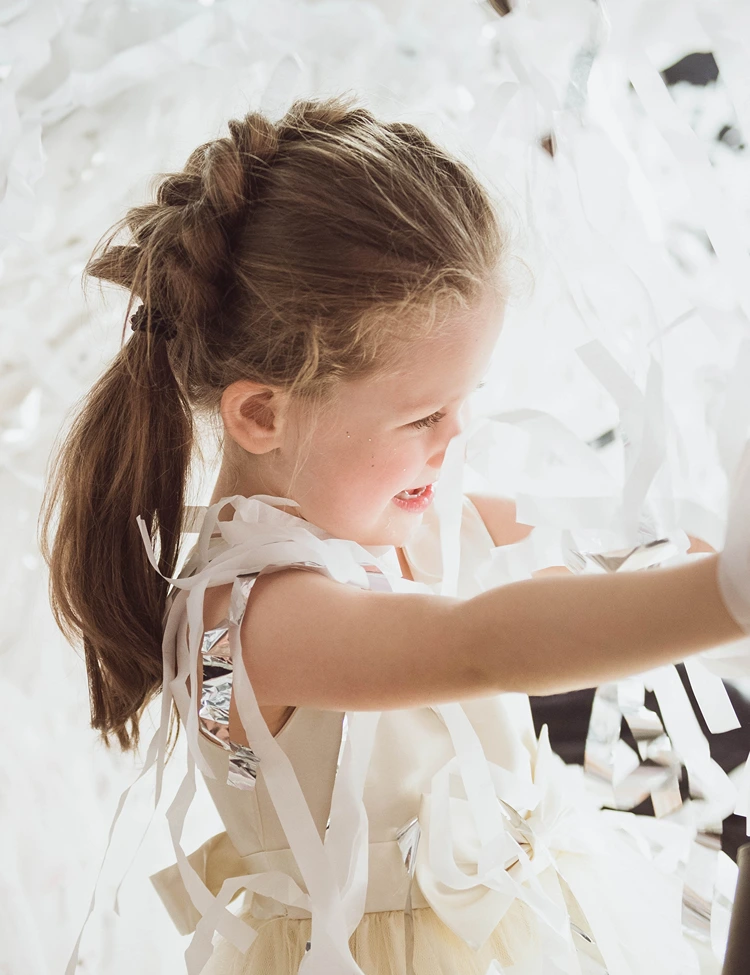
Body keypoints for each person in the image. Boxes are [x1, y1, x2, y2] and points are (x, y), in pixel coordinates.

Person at [40, 94, 750, 975]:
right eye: (424, 414)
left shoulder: (402, 508)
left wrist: (710, 555)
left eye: (466, 402)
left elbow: (601, 552)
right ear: (263, 412)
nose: (454, 440)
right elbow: (475, 646)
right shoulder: (236, 622)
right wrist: (732, 597)